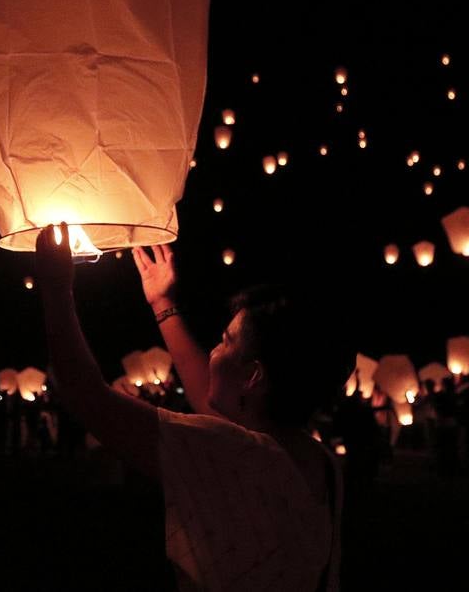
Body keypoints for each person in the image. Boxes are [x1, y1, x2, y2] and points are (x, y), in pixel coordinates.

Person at [36, 226, 343, 591]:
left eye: (225, 342)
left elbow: (85, 394)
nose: (212, 351)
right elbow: (213, 410)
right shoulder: (317, 461)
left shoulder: (234, 454)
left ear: (253, 376)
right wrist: (163, 305)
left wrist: (56, 290)